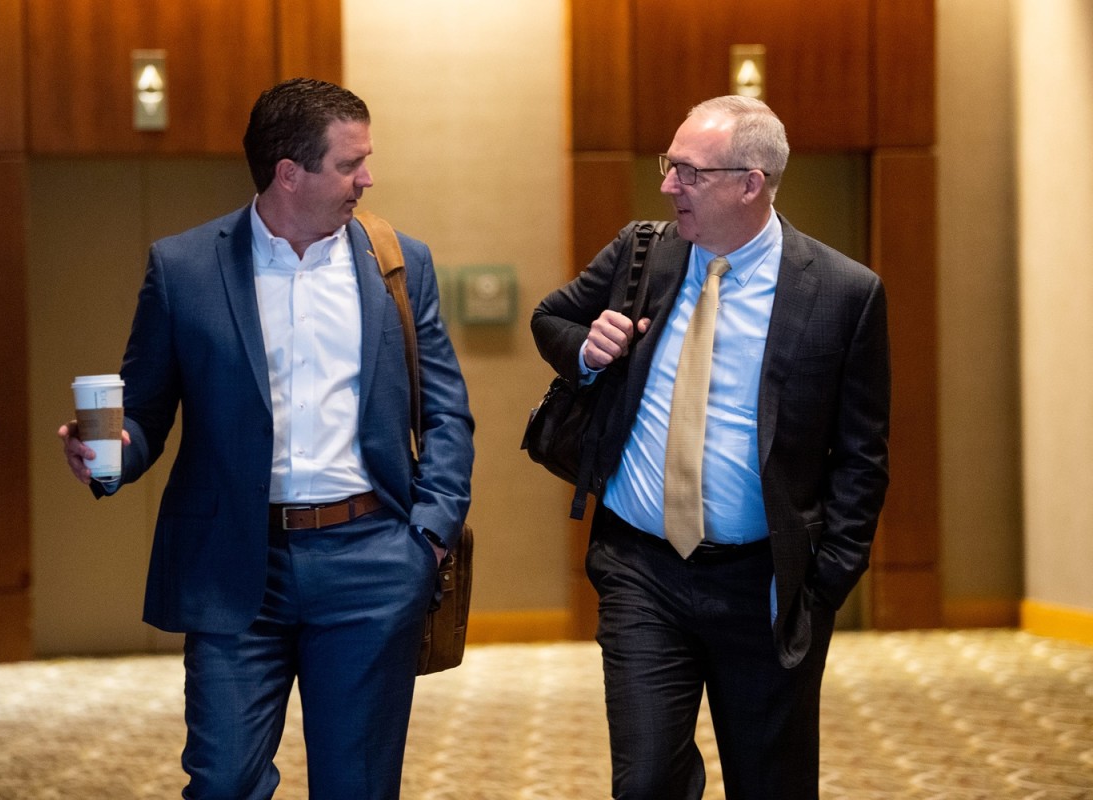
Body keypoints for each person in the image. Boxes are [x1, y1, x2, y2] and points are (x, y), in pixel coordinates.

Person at [58, 77, 474, 800]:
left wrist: (428, 536)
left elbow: (446, 411)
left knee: (358, 785)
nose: (367, 179)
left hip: (370, 563)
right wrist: (110, 455)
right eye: (350, 164)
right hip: (233, 566)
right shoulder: (184, 269)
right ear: (290, 172)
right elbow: (146, 411)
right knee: (222, 781)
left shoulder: (398, 263)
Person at [531, 95, 890, 799]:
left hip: (767, 585)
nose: (668, 185)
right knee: (645, 784)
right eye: (670, 166)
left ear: (750, 182)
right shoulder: (641, 254)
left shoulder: (846, 294)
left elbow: (862, 456)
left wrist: (823, 587)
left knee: (771, 783)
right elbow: (553, 319)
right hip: (642, 568)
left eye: (689, 172)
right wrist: (587, 350)